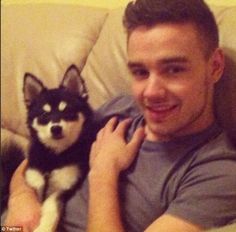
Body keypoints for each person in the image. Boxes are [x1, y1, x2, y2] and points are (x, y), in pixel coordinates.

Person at [4, 0, 236, 231]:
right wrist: (20, 198)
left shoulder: (217, 173)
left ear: (214, 66)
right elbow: (37, 158)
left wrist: (104, 172)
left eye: (174, 69)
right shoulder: (121, 107)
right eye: (140, 72)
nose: (151, 92)